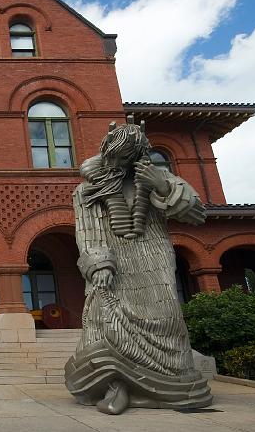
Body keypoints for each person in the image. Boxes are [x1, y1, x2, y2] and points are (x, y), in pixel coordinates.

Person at [64, 119, 212, 415]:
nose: (119, 163)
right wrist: (98, 265)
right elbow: (88, 230)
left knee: (168, 314)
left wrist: (161, 184)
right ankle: (115, 384)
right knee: (105, 319)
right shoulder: (88, 190)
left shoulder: (159, 178)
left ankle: (177, 386)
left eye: (127, 157)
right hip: (113, 263)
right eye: (115, 156)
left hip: (153, 257)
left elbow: (197, 213)